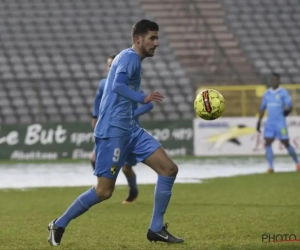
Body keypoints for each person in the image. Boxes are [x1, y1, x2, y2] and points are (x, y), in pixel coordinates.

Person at [47, 19, 184, 246]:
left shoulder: (129, 58)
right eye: (152, 38)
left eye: (157, 38)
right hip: (113, 132)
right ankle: (58, 224)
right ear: (138, 39)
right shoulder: (130, 58)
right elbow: (117, 86)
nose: (156, 43)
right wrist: (143, 97)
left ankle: (156, 228)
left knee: (169, 169)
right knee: (103, 191)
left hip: (130, 129)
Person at [256, 73, 300, 173]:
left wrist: (286, 112)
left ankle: (297, 162)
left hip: (280, 123)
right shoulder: (267, 94)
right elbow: (262, 109)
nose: (273, 81)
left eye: (275, 80)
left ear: (279, 81)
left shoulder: (283, 92)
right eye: (272, 80)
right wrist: (258, 122)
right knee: (267, 142)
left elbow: (290, 106)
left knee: (286, 143)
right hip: (270, 123)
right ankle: (270, 167)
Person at [90, 54, 116, 170]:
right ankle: (103, 181)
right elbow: (97, 101)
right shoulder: (103, 84)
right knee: (94, 159)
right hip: (104, 126)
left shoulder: (126, 84)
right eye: (109, 65)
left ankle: (132, 188)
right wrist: (95, 117)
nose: (111, 67)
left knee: (121, 163)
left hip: (118, 126)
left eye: (113, 65)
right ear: (107, 68)